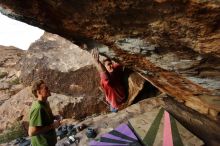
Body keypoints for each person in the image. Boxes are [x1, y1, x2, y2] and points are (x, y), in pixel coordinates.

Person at [28, 79, 61, 146]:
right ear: (38, 92)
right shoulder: (38, 108)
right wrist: (52, 126)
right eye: (46, 88)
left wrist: (54, 117)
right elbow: (31, 132)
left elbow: (45, 120)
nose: (49, 90)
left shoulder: (45, 103)